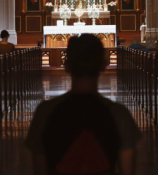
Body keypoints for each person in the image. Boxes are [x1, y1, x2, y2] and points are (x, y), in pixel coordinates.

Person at [26, 34, 141, 175]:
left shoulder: (45, 112)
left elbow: (40, 170)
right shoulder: (119, 114)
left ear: (67, 66)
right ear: (104, 65)